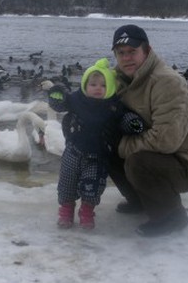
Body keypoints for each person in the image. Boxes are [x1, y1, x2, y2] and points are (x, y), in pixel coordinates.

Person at [109, 24, 188, 237]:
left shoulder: (168, 83)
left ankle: (171, 216)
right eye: (121, 53)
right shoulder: (116, 79)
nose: (126, 58)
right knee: (105, 147)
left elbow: (166, 141)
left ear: (147, 50)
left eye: (133, 52)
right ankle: (140, 201)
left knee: (138, 161)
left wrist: (120, 145)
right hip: (153, 152)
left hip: (185, 164)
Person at [48, 58, 145, 230]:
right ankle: (66, 210)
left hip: (98, 155)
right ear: (85, 85)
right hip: (73, 151)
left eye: (103, 85)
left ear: (110, 88)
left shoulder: (113, 106)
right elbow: (62, 104)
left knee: (92, 185)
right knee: (67, 182)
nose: (98, 88)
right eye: (93, 84)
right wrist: (57, 96)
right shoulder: (76, 100)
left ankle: (87, 211)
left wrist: (132, 123)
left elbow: (123, 118)